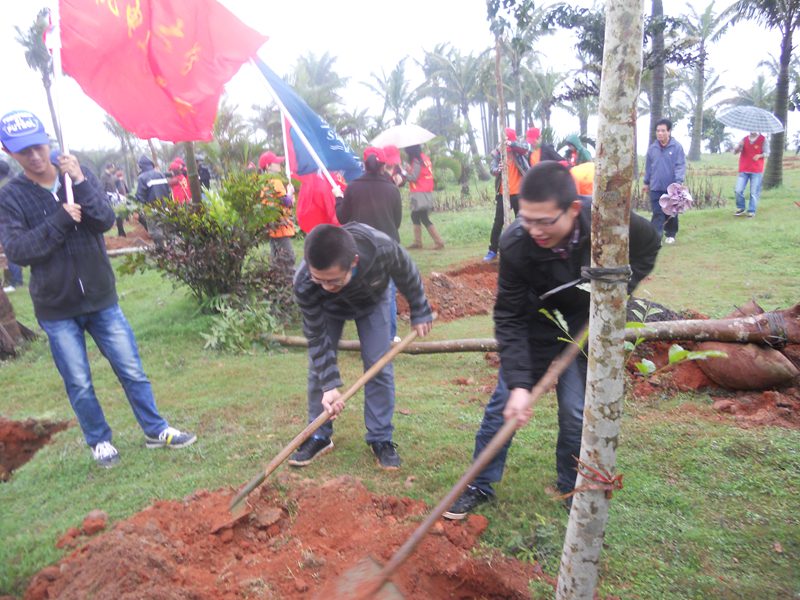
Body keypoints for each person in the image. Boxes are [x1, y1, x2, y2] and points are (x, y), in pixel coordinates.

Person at [443, 161, 660, 520]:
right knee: (503, 408)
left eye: (545, 221)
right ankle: (478, 484)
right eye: (527, 219)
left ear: (573, 209)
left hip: (588, 324)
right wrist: (518, 384)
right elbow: (509, 315)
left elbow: (648, 246)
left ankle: (570, 485)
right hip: (537, 325)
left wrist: (617, 292)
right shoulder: (515, 242)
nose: (535, 230)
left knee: (577, 412)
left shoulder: (608, 222)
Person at [0, 110, 196, 468]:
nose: (34, 155)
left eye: (38, 146)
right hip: (56, 307)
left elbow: (106, 220)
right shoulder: (11, 197)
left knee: (131, 369)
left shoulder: (79, 175)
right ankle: (100, 440)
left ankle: (155, 429)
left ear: (48, 140)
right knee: (79, 381)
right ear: (9, 152)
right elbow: (18, 251)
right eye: (23, 150)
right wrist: (60, 219)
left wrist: (80, 180)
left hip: (101, 297)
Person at [290, 223, 433, 469]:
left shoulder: (381, 248)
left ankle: (381, 438)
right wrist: (329, 385)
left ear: (353, 262)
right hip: (329, 310)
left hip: (373, 301)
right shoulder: (304, 281)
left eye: (332, 280)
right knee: (318, 371)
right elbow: (316, 336)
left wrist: (420, 309)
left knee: (378, 366)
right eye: (319, 280)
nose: (325, 286)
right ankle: (319, 435)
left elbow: (406, 271)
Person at [336, 146, 403, 341]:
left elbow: (342, 217)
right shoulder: (392, 189)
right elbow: (396, 221)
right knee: (388, 291)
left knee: (363, 292)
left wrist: (338, 199)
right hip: (388, 246)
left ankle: (369, 338)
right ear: (384, 165)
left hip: (361, 248)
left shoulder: (353, 188)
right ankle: (390, 335)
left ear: (364, 165)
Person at [484, 128, 530, 262]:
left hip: (519, 193)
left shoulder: (518, 152)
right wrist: (498, 169)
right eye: (502, 139)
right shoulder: (498, 153)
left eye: (505, 139)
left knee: (521, 221)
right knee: (498, 222)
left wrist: (511, 144)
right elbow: (492, 170)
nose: (502, 142)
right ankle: (493, 250)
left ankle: (523, 249)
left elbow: (525, 147)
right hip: (503, 194)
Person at [643, 118, 686, 245]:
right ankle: (656, 237)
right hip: (655, 186)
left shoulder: (677, 147)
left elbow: (680, 165)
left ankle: (671, 233)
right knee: (658, 213)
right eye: (658, 131)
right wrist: (646, 182)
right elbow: (648, 167)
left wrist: (678, 182)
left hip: (671, 187)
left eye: (663, 131)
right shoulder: (652, 149)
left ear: (669, 131)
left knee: (671, 212)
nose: (660, 133)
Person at [259, 151, 297, 273]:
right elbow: (285, 201)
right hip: (280, 226)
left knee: (276, 256)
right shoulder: (275, 182)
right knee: (288, 256)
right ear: (268, 166)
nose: (279, 164)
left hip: (271, 225)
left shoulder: (264, 182)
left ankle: (276, 280)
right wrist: (290, 193)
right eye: (276, 162)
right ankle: (287, 281)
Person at [404, 145, 444, 251]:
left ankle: (438, 242)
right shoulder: (424, 159)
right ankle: (418, 242)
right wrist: (410, 170)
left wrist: (404, 174)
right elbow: (420, 173)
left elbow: (414, 177)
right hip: (425, 191)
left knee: (423, 217)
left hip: (419, 192)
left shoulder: (416, 161)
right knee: (415, 216)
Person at [134, 155, 170, 244]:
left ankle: (161, 251)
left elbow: (140, 196)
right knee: (167, 230)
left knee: (155, 231)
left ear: (141, 166)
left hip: (151, 209)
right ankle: (171, 250)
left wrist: (139, 209)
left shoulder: (142, 178)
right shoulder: (161, 174)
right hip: (165, 207)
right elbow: (168, 191)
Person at [732, 131, 768, 217]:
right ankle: (741, 208)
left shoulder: (763, 139)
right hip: (744, 169)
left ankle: (751, 211)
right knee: (738, 190)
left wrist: (760, 155)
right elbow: (735, 152)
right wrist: (739, 146)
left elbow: (767, 152)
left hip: (756, 170)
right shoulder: (744, 139)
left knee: (754, 192)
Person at [101, 162, 126, 237]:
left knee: (119, 213)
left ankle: (121, 231)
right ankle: (120, 231)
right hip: (109, 198)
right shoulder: (104, 177)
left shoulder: (112, 176)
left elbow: (117, 183)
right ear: (109, 168)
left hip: (115, 196)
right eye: (113, 167)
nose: (114, 169)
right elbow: (102, 188)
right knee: (115, 214)